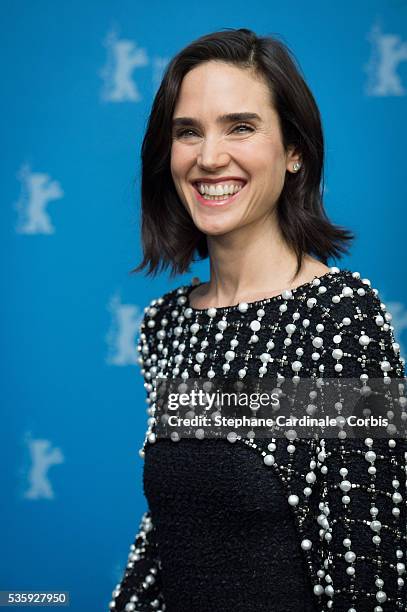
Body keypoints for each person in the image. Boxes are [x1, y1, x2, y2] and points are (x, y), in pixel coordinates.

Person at [109, 29, 406, 612]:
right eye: (187, 131)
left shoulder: (341, 318)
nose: (209, 156)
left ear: (294, 151)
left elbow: (374, 574)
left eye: (240, 127)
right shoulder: (166, 325)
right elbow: (175, 538)